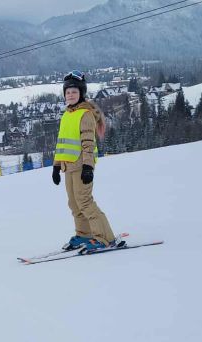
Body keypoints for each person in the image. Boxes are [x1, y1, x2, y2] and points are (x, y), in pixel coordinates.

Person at [51, 71, 116, 252]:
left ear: (81, 93)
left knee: (85, 202)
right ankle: (84, 234)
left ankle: (105, 238)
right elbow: (61, 143)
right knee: (74, 204)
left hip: (81, 166)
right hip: (68, 166)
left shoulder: (85, 114)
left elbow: (88, 143)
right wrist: (56, 166)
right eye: (68, 92)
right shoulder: (67, 115)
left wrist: (88, 166)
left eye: (74, 91)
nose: (70, 95)